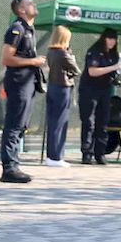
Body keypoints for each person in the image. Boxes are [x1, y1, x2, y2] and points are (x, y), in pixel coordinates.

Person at [0, 0, 46, 184]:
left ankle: (14, 165)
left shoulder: (28, 29)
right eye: (29, 4)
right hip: (19, 83)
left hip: (28, 83)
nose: (34, 5)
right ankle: (9, 168)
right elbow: (6, 58)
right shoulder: (17, 29)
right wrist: (33, 61)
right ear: (21, 10)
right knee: (14, 124)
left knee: (21, 125)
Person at [79, 28, 121, 165]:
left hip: (105, 90)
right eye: (109, 39)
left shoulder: (114, 54)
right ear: (104, 38)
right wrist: (113, 67)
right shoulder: (95, 50)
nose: (111, 42)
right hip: (90, 90)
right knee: (88, 122)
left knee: (103, 122)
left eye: (114, 39)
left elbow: (113, 71)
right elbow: (92, 71)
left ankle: (100, 153)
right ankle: (87, 153)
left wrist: (115, 75)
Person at [44, 26, 81, 168]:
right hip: (63, 87)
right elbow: (76, 70)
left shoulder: (51, 52)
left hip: (53, 86)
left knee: (53, 122)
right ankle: (57, 156)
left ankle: (51, 155)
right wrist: (70, 55)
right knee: (61, 122)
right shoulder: (63, 53)